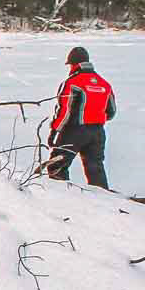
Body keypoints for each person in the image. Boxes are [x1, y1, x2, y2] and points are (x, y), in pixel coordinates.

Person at [46, 46, 116, 189]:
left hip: (74, 131)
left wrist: (54, 130)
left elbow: (64, 111)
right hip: (98, 132)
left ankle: (61, 198)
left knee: (56, 166)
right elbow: (112, 112)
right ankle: (105, 202)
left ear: (73, 64)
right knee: (95, 169)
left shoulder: (72, 82)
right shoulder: (104, 83)